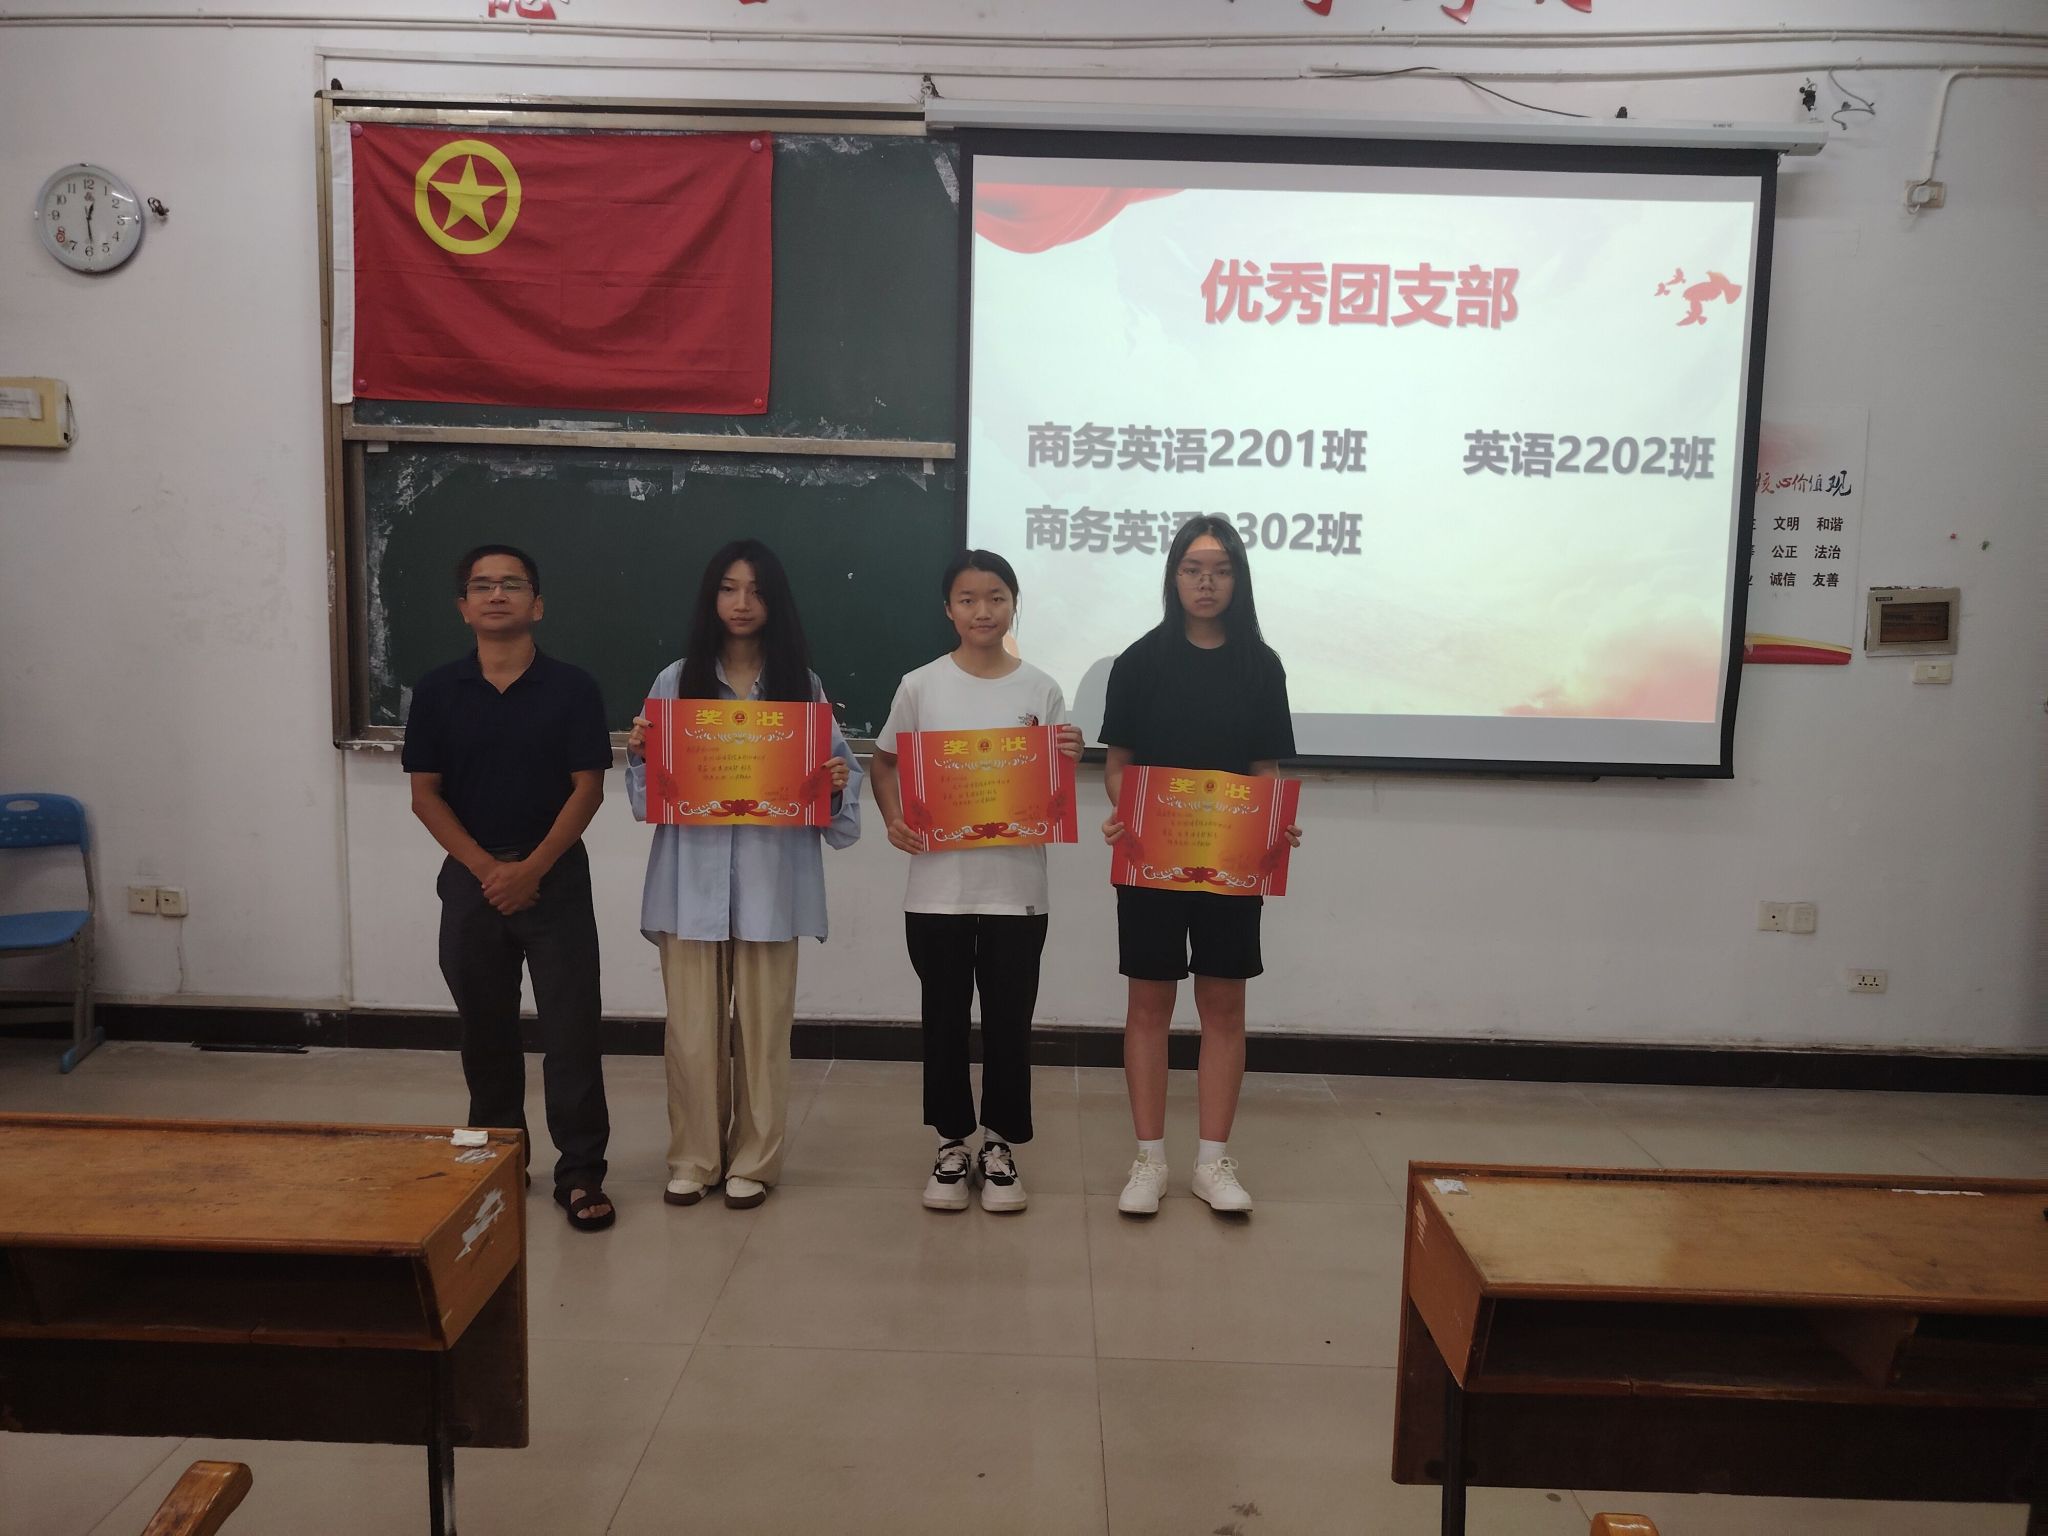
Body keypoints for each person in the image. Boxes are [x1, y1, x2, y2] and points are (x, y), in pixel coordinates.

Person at [625, 540, 860, 1210]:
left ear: (774, 601)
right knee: (692, 1032)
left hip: (771, 887)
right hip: (688, 886)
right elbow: (648, 800)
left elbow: (840, 797)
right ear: (711, 598)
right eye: (728, 588)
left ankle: (754, 1161)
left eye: (756, 590)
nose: (741, 603)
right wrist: (641, 755)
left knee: (763, 1033)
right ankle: (694, 1157)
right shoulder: (675, 683)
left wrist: (835, 783)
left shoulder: (801, 687)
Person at [403, 544, 616, 1233]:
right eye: (483, 586)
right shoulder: (437, 690)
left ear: (538, 604)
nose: (497, 595)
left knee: (572, 1031)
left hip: (556, 880)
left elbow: (589, 788)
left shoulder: (574, 688)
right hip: (472, 884)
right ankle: (497, 1158)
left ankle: (580, 1173)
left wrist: (531, 869)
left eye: (512, 584)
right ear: (463, 607)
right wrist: (488, 871)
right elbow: (425, 795)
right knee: (484, 1030)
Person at [1099, 517, 1302, 1218]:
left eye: (1220, 569)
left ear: (1238, 579)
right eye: (1192, 568)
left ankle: (1212, 1161)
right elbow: (1118, 766)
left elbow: (1265, 769)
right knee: (1148, 1006)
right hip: (1152, 861)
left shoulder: (1260, 666)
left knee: (1223, 1006)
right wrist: (1129, 816)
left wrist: (1272, 823)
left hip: (1231, 864)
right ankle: (1149, 1160)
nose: (1206, 582)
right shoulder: (1139, 661)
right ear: (1173, 577)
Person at [869, 550, 1083, 1213]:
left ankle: (1000, 1145)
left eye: (996, 597)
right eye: (968, 599)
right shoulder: (920, 686)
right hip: (937, 891)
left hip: (1018, 889)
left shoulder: (1042, 688)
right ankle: (951, 1143)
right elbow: (884, 762)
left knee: (1010, 1022)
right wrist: (894, 819)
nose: (982, 610)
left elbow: (1050, 791)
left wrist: (1067, 759)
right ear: (948, 610)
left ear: (1014, 604)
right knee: (943, 1018)